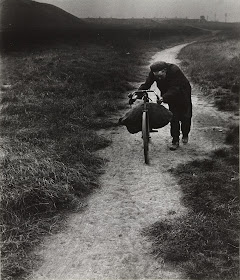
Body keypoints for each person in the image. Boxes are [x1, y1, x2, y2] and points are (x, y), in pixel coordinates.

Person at [129, 61, 192, 150]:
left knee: (185, 116)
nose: (159, 78)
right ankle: (175, 140)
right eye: (156, 77)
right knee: (174, 117)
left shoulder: (175, 71)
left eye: (160, 76)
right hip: (169, 93)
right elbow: (147, 84)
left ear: (165, 70)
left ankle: (185, 134)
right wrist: (137, 94)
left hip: (182, 92)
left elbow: (175, 88)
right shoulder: (154, 72)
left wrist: (163, 98)